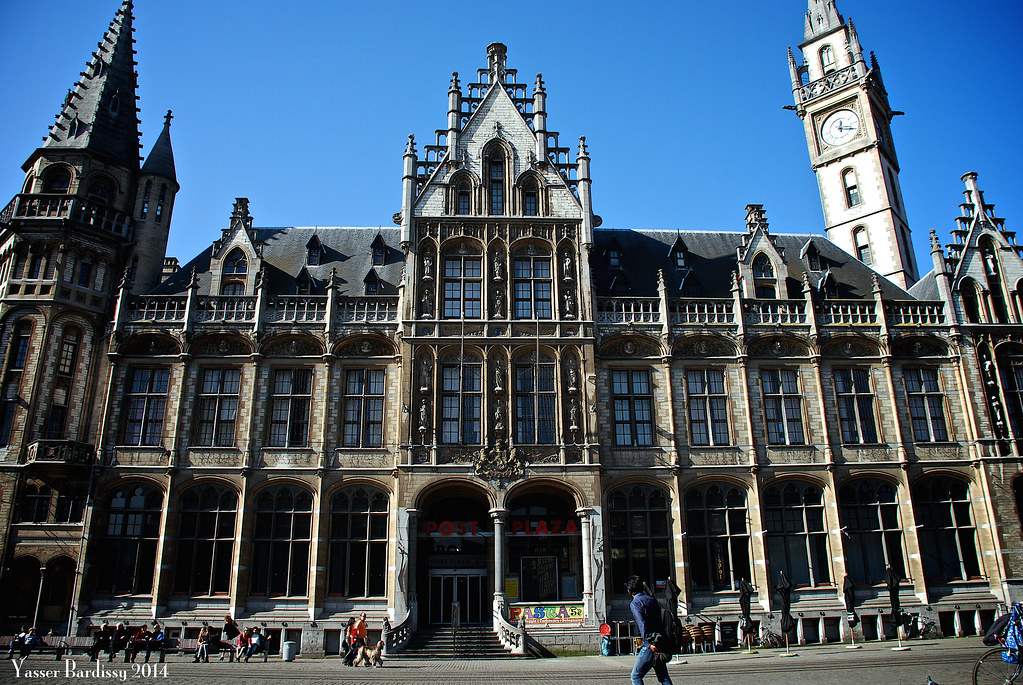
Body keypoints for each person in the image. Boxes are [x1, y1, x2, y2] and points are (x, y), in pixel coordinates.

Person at [626, 575, 673, 685]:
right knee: (663, 676)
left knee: (636, 676)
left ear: (629, 591)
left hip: (651, 643)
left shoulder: (635, 603)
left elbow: (642, 623)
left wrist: (647, 643)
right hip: (660, 640)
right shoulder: (652, 600)